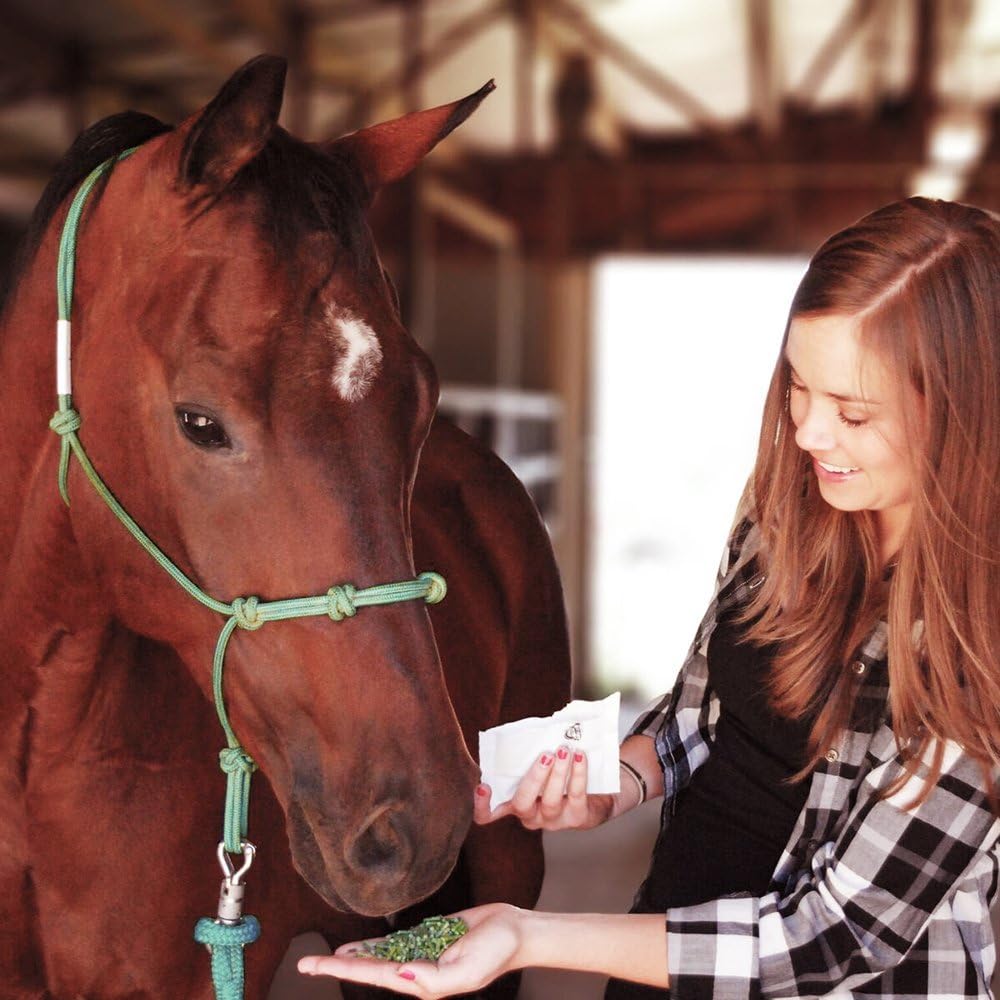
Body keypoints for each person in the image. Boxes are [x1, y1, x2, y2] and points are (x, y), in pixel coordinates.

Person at [297, 197, 1000, 999]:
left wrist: (528, 934)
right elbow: (708, 717)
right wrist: (616, 779)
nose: (806, 432)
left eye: (852, 412)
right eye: (799, 386)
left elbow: (831, 939)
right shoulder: (794, 513)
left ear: (961, 414)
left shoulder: (979, 641)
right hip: (664, 954)